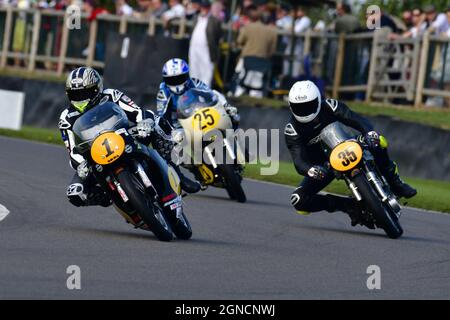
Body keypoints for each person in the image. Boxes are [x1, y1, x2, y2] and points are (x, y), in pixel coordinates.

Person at [59, 67, 201, 208]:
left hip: (124, 138)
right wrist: (81, 164)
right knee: (75, 193)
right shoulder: (66, 118)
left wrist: (144, 123)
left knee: (155, 121)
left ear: (97, 88)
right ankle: (110, 195)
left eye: (85, 93)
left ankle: (178, 174)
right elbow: (73, 151)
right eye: (75, 94)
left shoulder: (111, 95)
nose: (81, 98)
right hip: (94, 157)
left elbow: (137, 112)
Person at [285, 81, 417, 226]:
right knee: (298, 199)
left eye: (308, 106)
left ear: (318, 100)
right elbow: (298, 160)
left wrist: (369, 132)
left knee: (378, 140)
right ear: (291, 107)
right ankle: (348, 206)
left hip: (348, 145)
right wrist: (310, 170)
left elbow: (356, 119)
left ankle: (395, 182)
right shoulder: (292, 130)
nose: (304, 111)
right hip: (324, 167)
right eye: (299, 107)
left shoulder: (330, 106)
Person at [156, 58, 239, 129]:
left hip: (200, 116)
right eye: (171, 80)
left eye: (179, 78)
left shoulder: (194, 82)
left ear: (187, 75)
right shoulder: (163, 93)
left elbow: (211, 93)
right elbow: (163, 117)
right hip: (178, 126)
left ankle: (227, 108)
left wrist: (224, 106)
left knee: (232, 118)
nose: (176, 83)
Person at [188, 0, 222, 87]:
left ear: (209, 8)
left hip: (207, 49)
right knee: (194, 70)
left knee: (206, 71)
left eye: (206, 7)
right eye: (203, 7)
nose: (204, 9)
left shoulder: (214, 21)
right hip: (194, 48)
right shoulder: (196, 18)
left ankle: (205, 92)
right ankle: (194, 91)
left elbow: (217, 35)